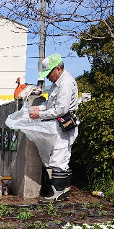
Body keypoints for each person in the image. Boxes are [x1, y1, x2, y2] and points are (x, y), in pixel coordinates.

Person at [29, 54, 79, 202]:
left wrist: (40, 115)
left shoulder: (66, 83)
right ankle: (63, 191)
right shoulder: (56, 83)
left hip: (65, 124)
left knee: (59, 158)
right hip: (57, 124)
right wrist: (38, 108)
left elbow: (60, 110)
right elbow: (51, 105)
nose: (48, 78)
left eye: (49, 74)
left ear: (58, 68)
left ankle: (57, 192)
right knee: (57, 156)